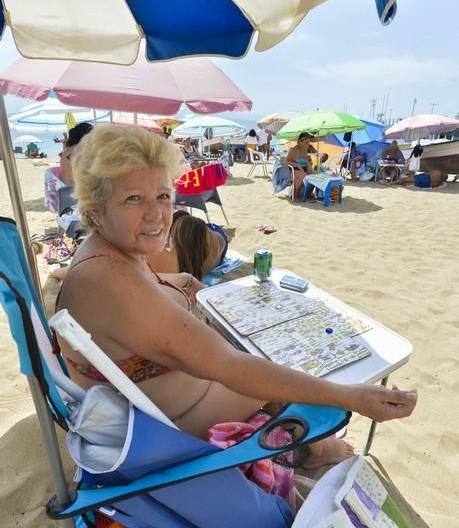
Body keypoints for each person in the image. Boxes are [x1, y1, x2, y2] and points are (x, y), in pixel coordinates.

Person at [54, 125, 416, 468]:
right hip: (170, 430)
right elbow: (229, 366)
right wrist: (350, 396)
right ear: (96, 210)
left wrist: (181, 279)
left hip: (161, 405)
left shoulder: (104, 254)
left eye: (163, 196)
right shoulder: (112, 281)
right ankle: (314, 451)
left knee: (258, 357)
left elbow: (144, 291)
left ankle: (307, 441)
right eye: (134, 198)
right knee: (267, 366)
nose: (156, 214)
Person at [148, 210, 228, 280]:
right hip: (202, 232)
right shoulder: (204, 256)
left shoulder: (210, 245)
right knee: (190, 224)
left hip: (213, 236)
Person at [285, 132, 317, 199]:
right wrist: (296, 165)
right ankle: (295, 194)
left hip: (303, 168)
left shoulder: (306, 148)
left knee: (314, 175)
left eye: (308, 142)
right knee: (303, 175)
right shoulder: (295, 150)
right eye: (306, 142)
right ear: (300, 142)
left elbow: (316, 152)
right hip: (293, 170)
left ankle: (308, 193)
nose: (308, 144)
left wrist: (308, 162)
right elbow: (286, 161)